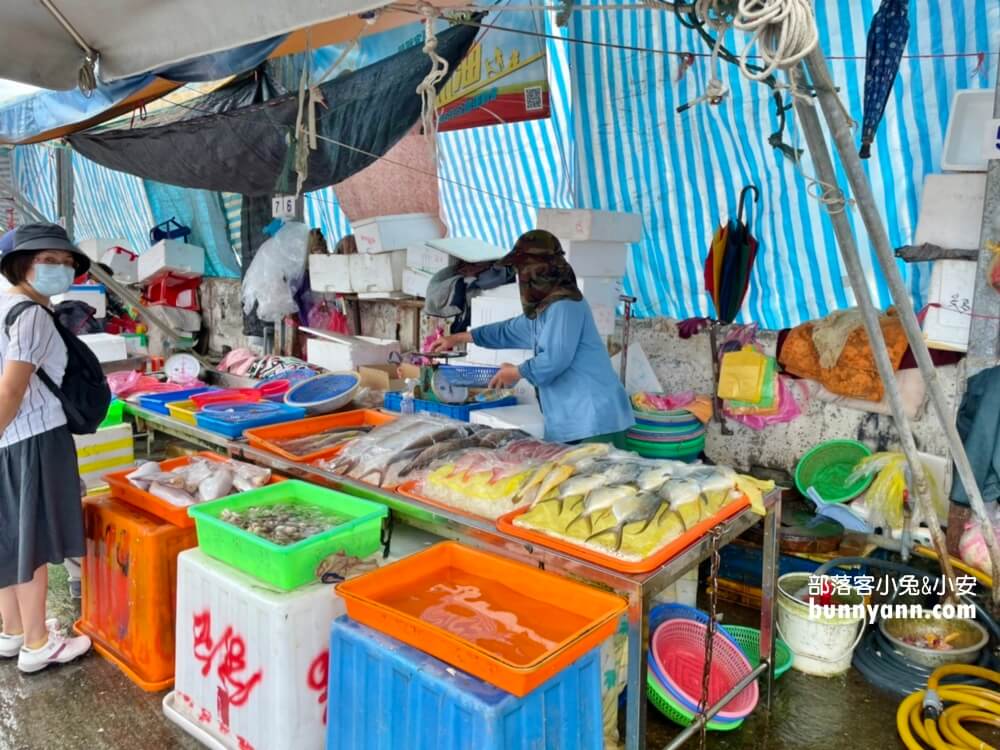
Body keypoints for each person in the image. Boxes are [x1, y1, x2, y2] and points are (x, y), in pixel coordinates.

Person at [432, 230, 634, 444]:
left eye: (523, 270)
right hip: (572, 419)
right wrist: (458, 338)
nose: (521, 278)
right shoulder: (544, 308)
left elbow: (555, 360)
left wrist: (517, 372)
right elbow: (508, 330)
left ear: (540, 271)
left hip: (593, 419)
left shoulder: (565, 305)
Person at [0, 223, 92, 673]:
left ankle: (13, 629)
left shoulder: (5, 304)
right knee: (31, 540)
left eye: (66, 263)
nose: (61, 270)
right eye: (48, 261)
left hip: (9, 439)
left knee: (10, 535)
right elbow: (12, 390)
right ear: (22, 265)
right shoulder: (32, 314)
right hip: (34, 437)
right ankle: (38, 643)